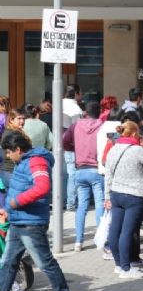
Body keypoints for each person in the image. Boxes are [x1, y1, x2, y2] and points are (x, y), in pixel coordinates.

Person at [0, 130, 76, 291]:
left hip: (31, 224)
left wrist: (16, 202)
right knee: (8, 263)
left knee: (45, 262)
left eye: (9, 152)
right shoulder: (22, 162)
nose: (8, 156)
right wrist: (9, 210)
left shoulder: (36, 160)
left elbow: (42, 187)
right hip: (19, 222)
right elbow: (20, 187)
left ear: (18, 149)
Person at [103, 122, 143, 279]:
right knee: (127, 231)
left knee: (115, 229)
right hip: (134, 195)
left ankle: (119, 264)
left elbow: (108, 174)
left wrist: (107, 196)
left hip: (116, 193)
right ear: (134, 134)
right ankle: (127, 268)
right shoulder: (139, 150)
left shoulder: (113, 149)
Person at [63, 102, 105, 253]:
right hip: (97, 169)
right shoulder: (102, 125)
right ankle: (101, 239)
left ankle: (78, 241)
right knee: (100, 204)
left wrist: (74, 148)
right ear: (99, 113)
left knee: (82, 206)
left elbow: (64, 141)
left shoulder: (76, 125)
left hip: (80, 169)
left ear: (85, 112)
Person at [63, 84, 83, 212]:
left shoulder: (58, 105)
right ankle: (70, 203)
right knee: (72, 175)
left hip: (58, 145)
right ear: (76, 93)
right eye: (80, 92)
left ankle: (61, 201)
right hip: (70, 147)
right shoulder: (75, 109)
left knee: (62, 175)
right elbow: (78, 130)